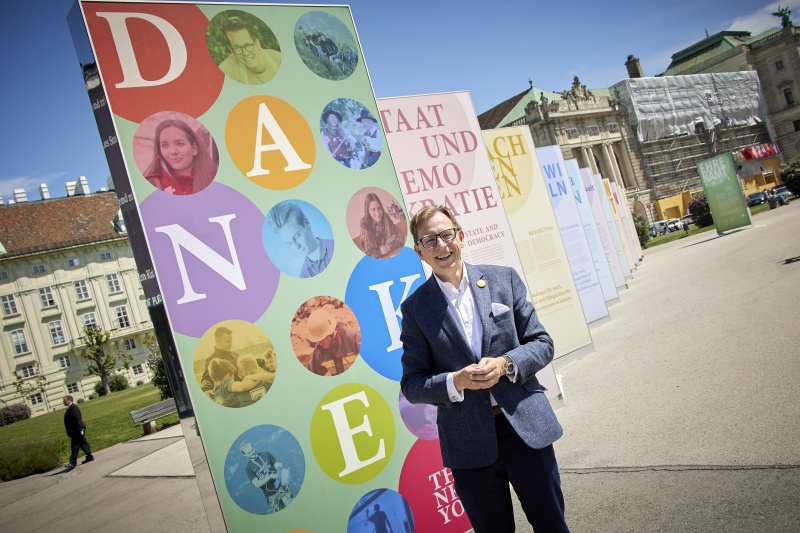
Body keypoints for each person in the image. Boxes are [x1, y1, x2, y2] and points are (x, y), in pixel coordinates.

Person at [400, 205, 569, 533]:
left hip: (526, 430)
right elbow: (412, 383)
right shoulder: (415, 309)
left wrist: (507, 364)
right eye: (430, 240)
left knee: (552, 525)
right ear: (419, 251)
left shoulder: (502, 278)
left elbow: (542, 343)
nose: (442, 246)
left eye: (447, 235)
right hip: (468, 444)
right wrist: (456, 381)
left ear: (461, 237)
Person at [144, 119, 217, 195]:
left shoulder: (214, 179)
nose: (173, 151)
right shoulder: (150, 185)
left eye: (179, 143)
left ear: (194, 148)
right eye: (164, 145)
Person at [267, 201, 334, 278]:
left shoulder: (336, 247)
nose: (296, 246)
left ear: (307, 223)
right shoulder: (304, 275)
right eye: (290, 243)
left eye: (297, 236)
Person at [217, 15, 281, 85]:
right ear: (231, 49)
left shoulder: (278, 59)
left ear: (257, 44)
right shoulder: (226, 70)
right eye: (237, 47)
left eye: (248, 45)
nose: (245, 53)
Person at [239, 440, 294, 513]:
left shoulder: (265, 454)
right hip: (271, 496)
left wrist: (279, 465)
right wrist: (269, 477)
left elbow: (276, 464)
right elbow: (257, 484)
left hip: (282, 488)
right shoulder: (248, 468)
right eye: (249, 452)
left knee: (293, 509)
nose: (252, 453)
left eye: (252, 450)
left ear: (253, 446)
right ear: (244, 454)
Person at [306, 309, 360, 376]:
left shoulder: (353, 339)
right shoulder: (319, 351)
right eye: (317, 340)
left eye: (322, 338)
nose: (320, 343)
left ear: (331, 332)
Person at [208, 357, 274, 408]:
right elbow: (243, 386)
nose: (233, 380)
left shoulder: (212, 394)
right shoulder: (229, 386)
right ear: (227, 375)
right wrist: (260, 377)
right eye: (233, 376)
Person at [359, 192, 403, 258]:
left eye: (379, 208)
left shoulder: (385, 216)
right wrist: (384, 246)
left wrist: (388, 247)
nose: (378, 213)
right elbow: (368, 253)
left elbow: (400, 237)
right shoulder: (364, 224)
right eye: (373, 209)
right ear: (368, 211)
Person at [63, 395, 93, 468]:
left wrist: (80, 429)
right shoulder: (70, 408)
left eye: (65, 401)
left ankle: (72, 462)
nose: (63, 402)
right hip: (76, 430)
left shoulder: (73, 408)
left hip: (76, 430)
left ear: (70, 400)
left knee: (75, 446)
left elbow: (77, 419)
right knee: (83, 444)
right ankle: (89, 456)